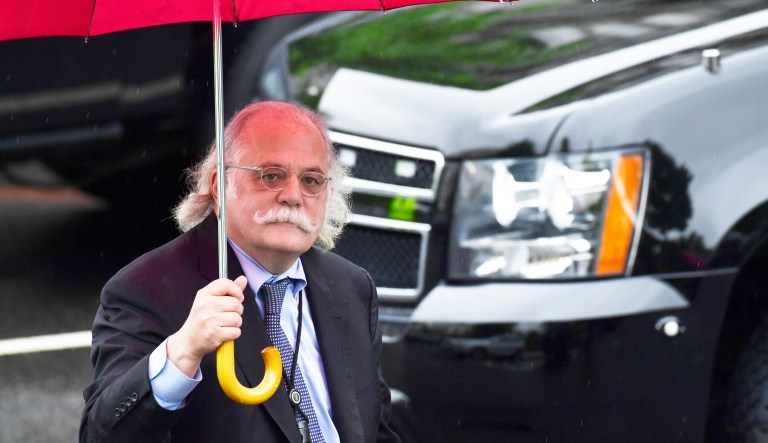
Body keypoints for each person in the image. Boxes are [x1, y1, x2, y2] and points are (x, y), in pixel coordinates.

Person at [80, 101, 400, 443]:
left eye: (311, 180)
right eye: (271, 176)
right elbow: (102, 436)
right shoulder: (145, 289)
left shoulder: (352, 286)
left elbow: (376, 431)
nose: (293, 196)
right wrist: (184, 351)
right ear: (220, 186)